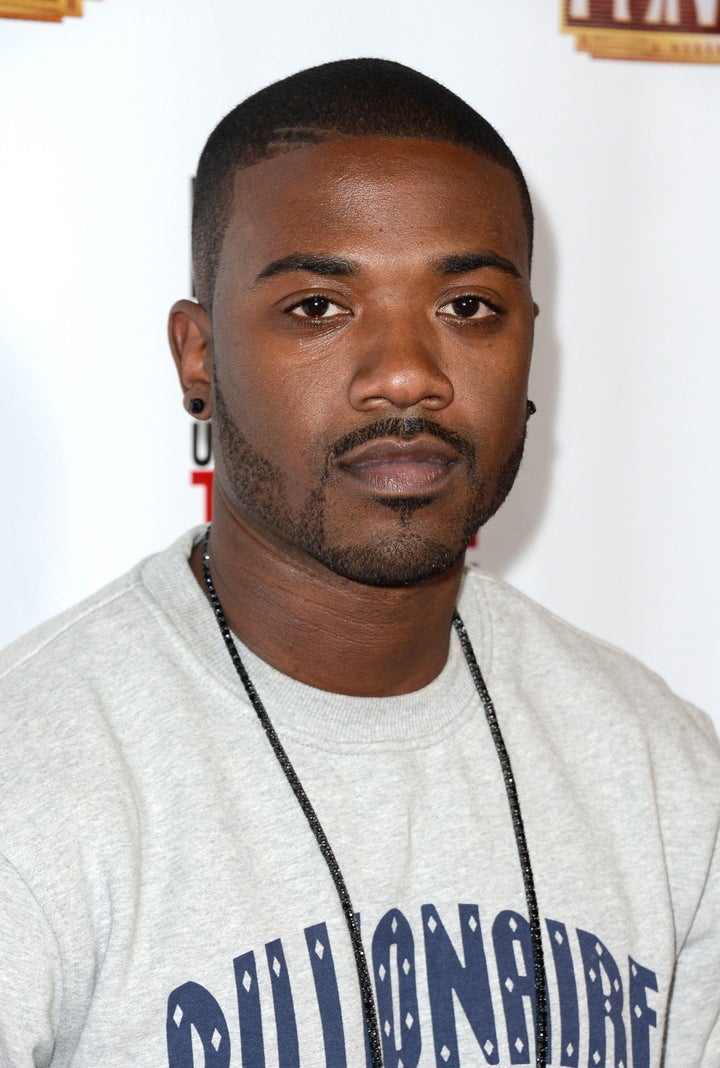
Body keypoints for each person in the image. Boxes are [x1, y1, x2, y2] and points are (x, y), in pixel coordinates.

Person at [0, 58, 717, 1068]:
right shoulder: (32, 784)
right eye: (318, 309)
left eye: (467, 306)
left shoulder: (665, 777)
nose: (406, 375)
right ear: (197, 357)